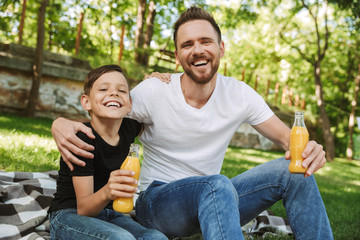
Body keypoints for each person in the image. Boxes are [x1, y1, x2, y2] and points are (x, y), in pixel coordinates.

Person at [51, 7, 333, 240]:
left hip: (217, 201)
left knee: (293, 171)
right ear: (177, 56)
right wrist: (61, 123)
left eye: (205, 41)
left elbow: (289, 140)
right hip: (159, 204)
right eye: (187, 44)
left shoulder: (240, 93)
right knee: (216, 185)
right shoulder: (154, 92)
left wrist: (311, 150)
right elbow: (106, 114)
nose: (197, 50)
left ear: (221, 48)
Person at [48, 65, 167, 240]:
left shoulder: (129, 128)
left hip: (110, 214)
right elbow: (84, 208)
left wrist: (154, 83)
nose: (113, 93)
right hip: (69, 215)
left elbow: (156, 104)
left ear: (129, 105)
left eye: (122, 90)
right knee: (120, 238)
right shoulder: (82, 140)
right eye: (103, 89)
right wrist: (107, 192)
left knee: (157, 238)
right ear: (86, 101)